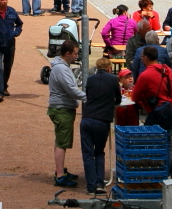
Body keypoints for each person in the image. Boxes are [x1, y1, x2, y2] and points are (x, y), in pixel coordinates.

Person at [47, 40, 85, 187]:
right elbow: (71, 90)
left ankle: (60, 170)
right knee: (62, 143)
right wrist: (90, 97)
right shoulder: (61, 69)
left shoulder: (61, 67)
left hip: (62, 107)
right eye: (75, 53)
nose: (77, 56)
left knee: (61, 141)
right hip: (62, 109)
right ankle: (60, 175)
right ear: (67, 53)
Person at [81, 57, 121, 194]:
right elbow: (119, 99)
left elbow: (87, 95)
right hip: (102, 120)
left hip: (87, 118)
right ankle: (99, 184)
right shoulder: (113, 80)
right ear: (109, 68)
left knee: (87, 154)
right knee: (99, 152)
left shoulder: (90, 79)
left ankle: (90, 186)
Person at [132, 46, 172, 152]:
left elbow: (134, 96)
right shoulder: (168, 70)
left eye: (141, 57)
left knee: (147, 140)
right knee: (167, 142)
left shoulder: (145, 75)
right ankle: (168, 166)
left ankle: (153, 165)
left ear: (146, 58)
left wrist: (143, 101)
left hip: (160, 112)